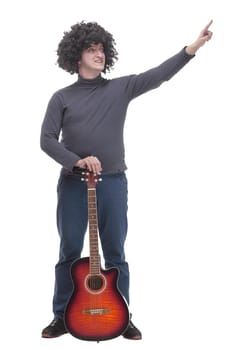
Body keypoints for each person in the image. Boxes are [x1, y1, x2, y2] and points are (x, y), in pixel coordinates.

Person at [40, 20, 213, 340]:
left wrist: (191, 50)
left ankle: (122, 315)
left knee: (115, 253)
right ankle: (61, 316)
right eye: (91, 49)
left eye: (102, 49)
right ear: (76, 55)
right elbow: (47, 140)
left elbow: (158, 75)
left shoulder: (120, 88)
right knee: (69, 252)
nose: (99, 54)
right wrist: (77, 161)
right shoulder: (61, 97)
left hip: (112, 183)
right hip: (73, 185)